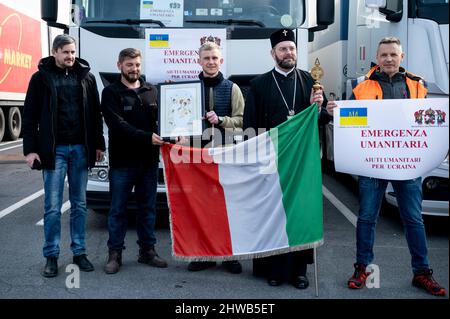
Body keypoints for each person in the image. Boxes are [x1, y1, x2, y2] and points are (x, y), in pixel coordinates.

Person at [327, 36, 447, 296]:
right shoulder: (360, 86)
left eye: (394, 54)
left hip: (408, 164)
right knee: (368, 218)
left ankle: (422, 273)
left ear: (401, 57)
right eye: (384, 55)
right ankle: (362, 269)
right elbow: (350, 122)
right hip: (373, 163)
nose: (389, 59)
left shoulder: (419, 85)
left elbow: (428, 123)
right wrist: (334, 110)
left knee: (414, 219)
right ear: (377, 58)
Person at [243, 29, 332, 289]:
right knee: (273, 215)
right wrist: (255, 159)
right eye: (282, 49)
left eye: (291, 48)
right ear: (273, 53)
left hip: (303, 163)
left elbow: (322, 119)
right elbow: (251, 125)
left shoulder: (310, 81)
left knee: (300, 215)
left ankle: (299, 271)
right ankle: (274, 269)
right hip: (272, 160)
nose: (288, 53)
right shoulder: (259, 84)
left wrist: (322, 108)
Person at [22, 34, 105, 277]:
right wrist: (30, 149)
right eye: (66, 52)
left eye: (72, 52)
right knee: (52, 206)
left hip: (80, 149)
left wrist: (98, 144)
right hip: (53, 151)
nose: (70, 56)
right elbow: (29, 116)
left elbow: (94, 115)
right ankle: (51, 256)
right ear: (55, 52)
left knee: (79, 205)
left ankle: (79, 253)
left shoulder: (86, 78)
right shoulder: (40, 79)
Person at [101, 48, 168, 274]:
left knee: (147, 209)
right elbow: (118, 126)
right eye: (130, 65)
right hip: (122, 163)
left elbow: (164, 121)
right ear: (120, 65)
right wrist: (147, 137)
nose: (134, 69)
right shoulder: (111, 93)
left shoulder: (152, 91)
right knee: (118, 210)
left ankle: (147, 251)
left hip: (148, 162)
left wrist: (174, 130)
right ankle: (115, 254)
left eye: (138, 65)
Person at [186, 41, 245, 274]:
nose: (211, 62)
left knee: (227, 206)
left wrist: (221, 120)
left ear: (221, 61)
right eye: (206, 58)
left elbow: (242, 121)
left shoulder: (233, 88)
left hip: (225, 154)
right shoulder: (187, 87)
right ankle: (203, 255)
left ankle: (229, 255)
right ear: (198, 60)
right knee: (200, 206)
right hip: (196, 155)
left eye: (215, 58)